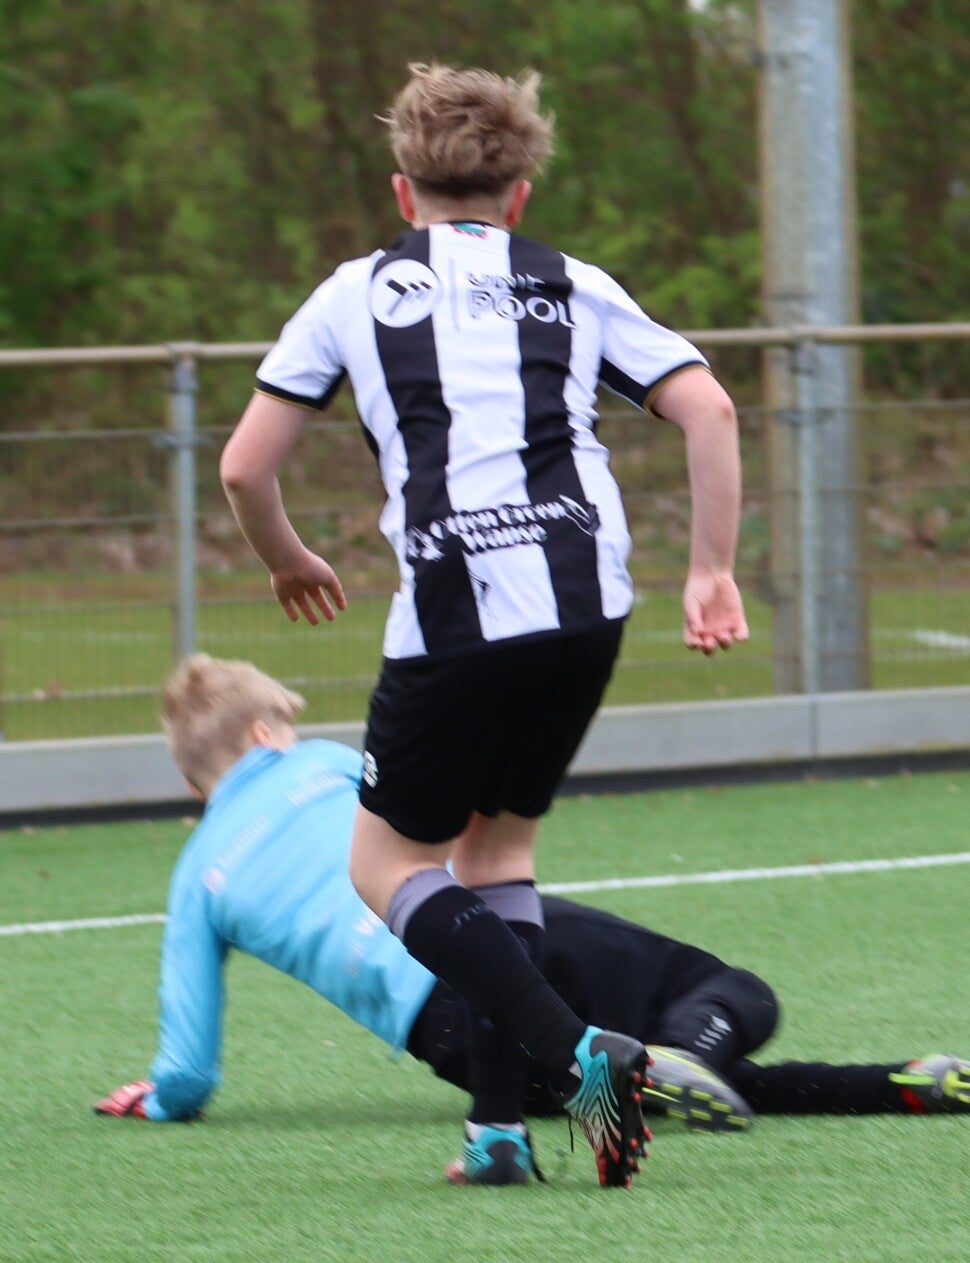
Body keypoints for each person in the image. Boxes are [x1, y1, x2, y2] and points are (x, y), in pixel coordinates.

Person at [218, 63, 749, 1187]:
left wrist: (288, 559)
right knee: (496, 854)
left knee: (384, 862)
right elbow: (707, 405)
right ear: (518, 195)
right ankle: (498, 1136)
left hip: (457, 612)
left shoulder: (353, 293)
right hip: (586, 603)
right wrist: (711, 570)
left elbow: (244, 468)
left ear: (401, 192)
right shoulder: (571, 282)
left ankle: (581, 1054)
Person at [93, 656, 970, 1185]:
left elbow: (190, 1069)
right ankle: (858, 1074)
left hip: (452, 1041)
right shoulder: (327, 763)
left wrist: (159, 1096)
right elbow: (449, 826)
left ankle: (869, 1082)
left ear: (195, 781)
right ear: (268, 733)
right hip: (493, 938)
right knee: (730, 992)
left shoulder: (196, 878)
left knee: (627, 1079)